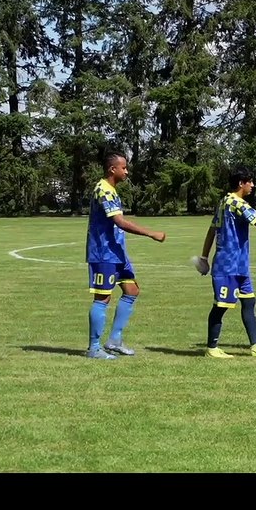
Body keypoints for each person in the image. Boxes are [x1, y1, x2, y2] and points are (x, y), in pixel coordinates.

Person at [85, 152, 167, 359]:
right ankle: (94, 348)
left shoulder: (112, 190)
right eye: (124, 168)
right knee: (102, 297)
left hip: (117, 252)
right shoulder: (104, 190)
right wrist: (151, 233)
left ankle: (114, 340)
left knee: (132, 290)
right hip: (103, 253)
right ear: (113, 169)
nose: (127, 171)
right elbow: (119, 222)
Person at [195, 166, 256, 358]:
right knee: (221, 306)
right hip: (228, 265)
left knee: (249, 301)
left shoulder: (224, 202)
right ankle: (212, 347)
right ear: (241, 183)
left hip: (240, 265)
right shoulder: (237, 203)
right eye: (250, 181)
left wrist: (204, 256)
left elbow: (212, 230)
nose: (253, 185)